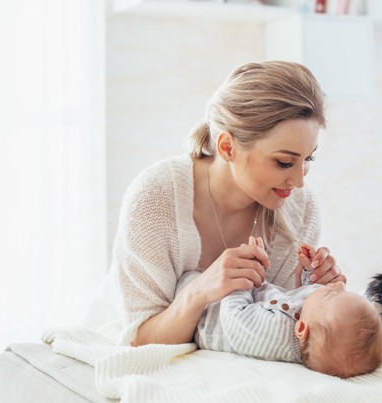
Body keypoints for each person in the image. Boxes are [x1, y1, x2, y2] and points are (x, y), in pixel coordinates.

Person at [83, 61, 346, 346]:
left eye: (308, 159)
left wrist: (309, 292)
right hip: (114, 344)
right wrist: (200, 291)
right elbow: (139, 339)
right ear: (227, 147)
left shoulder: (302, 210)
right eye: (284, 162)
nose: (299, 181)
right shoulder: (155, 197)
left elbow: (273, 334)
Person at [194, 237, 382, 378]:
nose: (339, 285)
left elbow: (234, 318)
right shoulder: (310, 318)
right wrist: (310, 273)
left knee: (189, 278)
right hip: (220, 296)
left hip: (205, 313)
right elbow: (296, 298)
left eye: (332, 293)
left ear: (301, 328)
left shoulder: (273, 334)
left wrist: (244, 277)